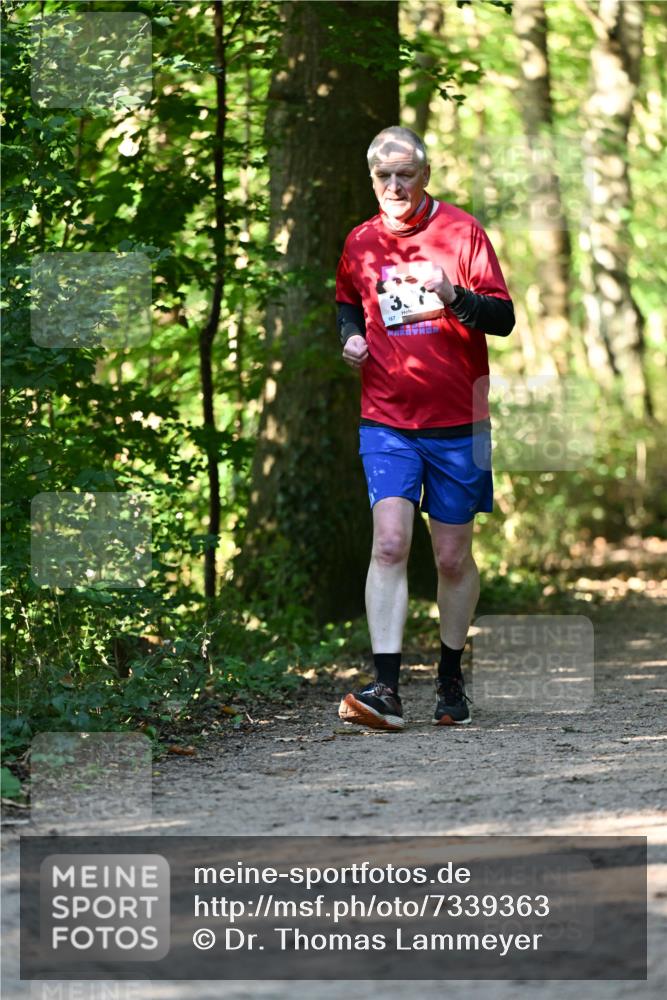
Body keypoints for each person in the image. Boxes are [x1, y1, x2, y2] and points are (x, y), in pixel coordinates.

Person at [335, 126, 514, 731]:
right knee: (389, 542)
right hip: (386, 419)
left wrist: (454, 295)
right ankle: (385, 688)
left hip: (459, 420)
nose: (393, 186)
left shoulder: (463, 232)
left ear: (425, 175)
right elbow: (345, 303)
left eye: (404, 174)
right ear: (371, 178)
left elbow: (504, 318)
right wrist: (350, 340)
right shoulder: (359, 241)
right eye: (382, 176)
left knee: (452, 558)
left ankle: (449, 678)